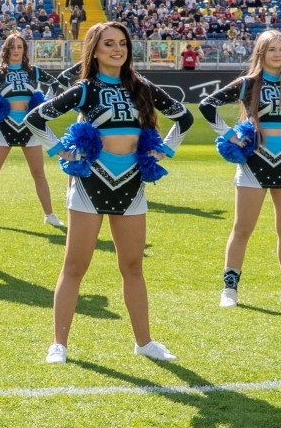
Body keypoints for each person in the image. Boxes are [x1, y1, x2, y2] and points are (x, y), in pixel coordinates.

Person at [24, 22, 194, 364]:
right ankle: (59, 344)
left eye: (122, 44)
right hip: (90, 182)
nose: (117, 50)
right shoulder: (85, 89)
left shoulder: (142, 87)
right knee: (75, 266)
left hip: (131, 183)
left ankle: (144, 342)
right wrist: (62, 151)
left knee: (132, 266)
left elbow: (184, 118)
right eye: (108, 44)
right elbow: (35, 118)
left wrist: (163, 151)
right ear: (94, 51)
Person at [199, 30, 281, 309]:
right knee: (242, 229)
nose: (278, 54)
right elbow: (207, 105)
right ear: (261, 53)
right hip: (254, 164)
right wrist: (231, 136)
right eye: (271, 49)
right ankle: (229, 289)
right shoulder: (248, 84)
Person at [0, 32, 64, 228]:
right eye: (12, 47)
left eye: (19, 47)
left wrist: (44, 106)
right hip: (4, 127)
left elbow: (54, 83)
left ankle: (49, 215)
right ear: (6, 50)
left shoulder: (34, 71)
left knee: (39, 174)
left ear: (24, 50)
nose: (16, 50)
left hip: (29, 128)